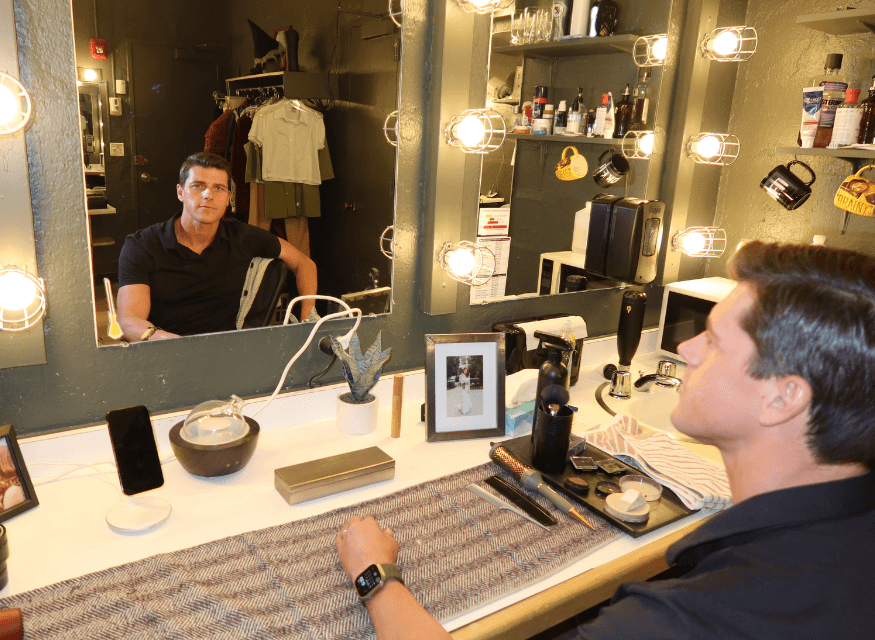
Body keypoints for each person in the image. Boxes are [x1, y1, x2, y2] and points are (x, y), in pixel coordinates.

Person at [335, 241, 875, 639]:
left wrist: (376, 577)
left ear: (782, 397)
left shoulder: (689, 618)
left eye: (714, 341)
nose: (685, 349)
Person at [116, 152, 317, 341]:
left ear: (228, 198)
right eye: (198, 186)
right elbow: (129, 320)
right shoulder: (143, 245)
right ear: (180, 192)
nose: (208, 195)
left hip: (227, 349)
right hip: (164, 348)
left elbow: (304, 263)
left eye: (218, 188)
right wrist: (166, 341)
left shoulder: (242, 237)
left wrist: (307, 320)